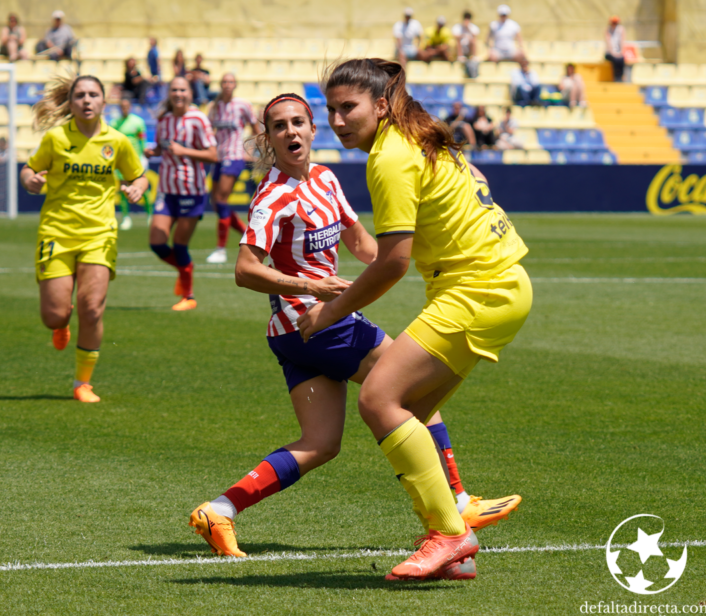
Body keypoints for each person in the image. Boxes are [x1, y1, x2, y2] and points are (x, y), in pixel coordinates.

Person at [189, 93, 521, 566]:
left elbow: (362, 241)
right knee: (405, 391)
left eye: (299, 122)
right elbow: (245, 269)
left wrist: (389, 266)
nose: (291, 132)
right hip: (315, 325)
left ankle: (219, 510)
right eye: (279, 126)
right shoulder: (272, 194)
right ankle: (457, 505)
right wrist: (310, 285)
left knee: (320, 444)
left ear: (312, 128)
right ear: (269, 138)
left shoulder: (325, 179)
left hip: (303, 332)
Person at [302, 59, 532, 581]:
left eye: (348, 107)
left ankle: (448, 534)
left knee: (378, 398)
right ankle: (457, 546)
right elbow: (479, 176)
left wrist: (332, 311)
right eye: (331, 110)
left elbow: (393, 261)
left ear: (380, 106)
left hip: (477, 288)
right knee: (411, 406)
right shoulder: (419, 137)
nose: (338, 120)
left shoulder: (388, 157)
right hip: (498, 285)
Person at [20, 74, 148, 403]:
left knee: (91, 309)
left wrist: (137, 188)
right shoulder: (56, 138)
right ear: (71, 103)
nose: (87, 100)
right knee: (54, 315)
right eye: (80, 95)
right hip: (56, 232)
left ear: (104, 101)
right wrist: (30, 180)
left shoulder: (117, 141)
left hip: (99, 233)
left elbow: (139, 176)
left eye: (93, 95)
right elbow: (29, 169)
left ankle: (82, 383)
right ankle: (61, 321)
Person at [146, 76, 218, 311]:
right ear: (169, 94)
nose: (178, 94)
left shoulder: (198, 119)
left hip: (191, 190)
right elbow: (161, 146)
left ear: (189, 93)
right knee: (157, 243)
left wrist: (183, 151)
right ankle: (184, 269)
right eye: (174, 90)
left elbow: (212, 155)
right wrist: (152, 150)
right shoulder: (164, 120)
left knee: (179, 245)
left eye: (182, 90)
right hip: (167, 190)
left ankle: (189, 296)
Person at [205, 72, 258, 264]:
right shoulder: (215, 106)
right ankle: (247, 234)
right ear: (221, 84)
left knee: (221, 199)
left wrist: (256, 148)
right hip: (218, 157)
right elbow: (209, 129)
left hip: (234, 156)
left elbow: (255, 127)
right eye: (225, 82)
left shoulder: (242, 105)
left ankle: (221, 250)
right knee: (216, 202)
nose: (227, 85)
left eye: (231, 82)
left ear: (235, 85)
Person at [109, 98, 154, 229]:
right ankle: (126, 217)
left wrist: (143, 157)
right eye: (122, 106)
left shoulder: (138, 122)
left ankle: (150, 214)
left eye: (126, 106)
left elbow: (142, 141)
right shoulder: (115, 123)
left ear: (130, 106)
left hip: (137, 160)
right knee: (123, 188)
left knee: (142, 187)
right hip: (121, 161)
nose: (124, 108)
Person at [451, 11, 480, 78]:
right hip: (460, 47)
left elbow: (475, 36)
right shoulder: (457, 27)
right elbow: (456, 36)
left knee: (473, 41)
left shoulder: (473, 27)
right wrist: (463, 35)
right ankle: (460, 56)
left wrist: (468, 28)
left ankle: (473, 56)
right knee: (458, 41)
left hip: (469, 47)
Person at [604, 16, 625, 83]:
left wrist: (621, 52)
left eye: (616, 23)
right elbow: (609, 44)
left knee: (621, 59)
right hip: (610, 53)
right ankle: (616, 77)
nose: (615, 25)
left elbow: (622, 42)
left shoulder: (621, 30)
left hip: (617, 53)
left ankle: (621, 76)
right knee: (615, 59)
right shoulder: (607, 30)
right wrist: (614, 54)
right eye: (613, 23)